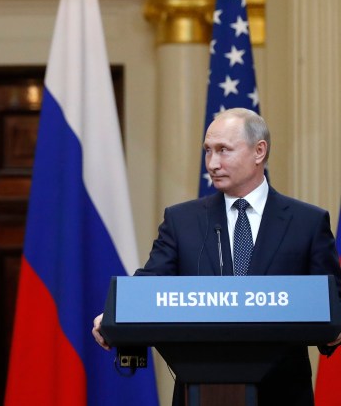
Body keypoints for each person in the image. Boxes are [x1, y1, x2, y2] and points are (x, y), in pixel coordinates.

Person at [91, 108, 341, 405]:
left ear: (259, 151)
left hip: (283, 392)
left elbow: (330, 301)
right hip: (198, 389)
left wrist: (334, 327)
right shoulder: (181, 220)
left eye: (223, 150)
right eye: (208, 151)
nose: (212, 163)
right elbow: (151, 283)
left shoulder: (306, 222)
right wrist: (118, 314)